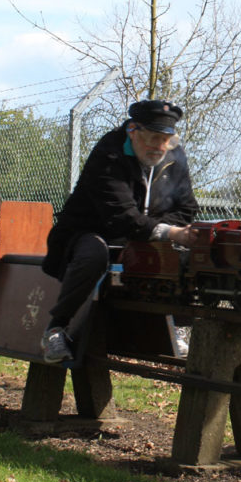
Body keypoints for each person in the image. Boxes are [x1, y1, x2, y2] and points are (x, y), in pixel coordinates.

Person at [40, 99, 199, 363]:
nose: (159, 147)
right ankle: (56, 329)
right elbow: (120, 216)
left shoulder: (174, 155)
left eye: (166, 140)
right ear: (133, 131)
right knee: (93, 254)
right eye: (153, 138)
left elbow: (187, 207)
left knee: (183, 255)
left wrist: (163, 231)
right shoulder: (109, 152)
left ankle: (176, 327)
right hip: (92, 231)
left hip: (144, 233)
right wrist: (169, 232)